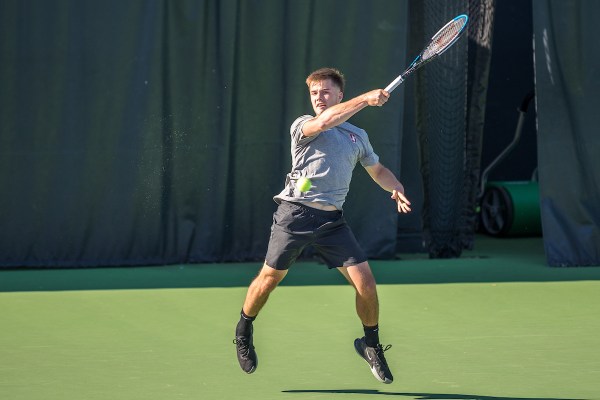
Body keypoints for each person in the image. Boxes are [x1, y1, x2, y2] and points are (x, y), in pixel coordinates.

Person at [234, 67, 411, 384]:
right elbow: (326, 120)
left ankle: (370, 345)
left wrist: (395, 186)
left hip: (332, 222)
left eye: (326, 91)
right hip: (295, 215)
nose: (319, 97)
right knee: (269, 280)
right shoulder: (304, 125)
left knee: (366, 285)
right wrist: (368, 98)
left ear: (339, 94)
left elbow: (377, 169)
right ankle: (244, 328)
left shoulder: (357, 137)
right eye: (314, 92)